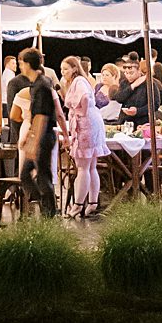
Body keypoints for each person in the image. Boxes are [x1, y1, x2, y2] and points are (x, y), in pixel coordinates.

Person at [17, 47, 59, 217]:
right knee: (26, 174)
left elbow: (42, 116)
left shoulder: (42, 85)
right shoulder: (36, 84)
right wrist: (28, 136)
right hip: (39, 135)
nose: (20, 67)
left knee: (42, 175)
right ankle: (43, 205)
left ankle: (49, 212)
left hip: (43, 136)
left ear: (28, 64)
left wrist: (33, 142)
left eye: (21, 63)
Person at [61, 56, 104, 219]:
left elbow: (85, 97)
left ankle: (78, 205)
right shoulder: (79, 81)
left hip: (86, 125)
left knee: (83, 166)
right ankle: (92, 202)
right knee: (91, 165)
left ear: (74, 68)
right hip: (92, 122)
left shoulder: (78, 81)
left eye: (65, 69)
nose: (63, 72)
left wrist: (82, 113)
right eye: (62, 69)